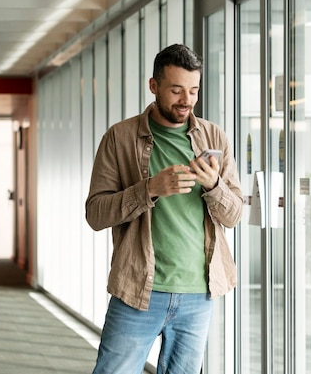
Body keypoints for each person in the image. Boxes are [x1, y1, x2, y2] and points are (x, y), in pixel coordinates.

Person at [85, 43, 243, 374]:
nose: (186, 100)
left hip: (199, 293)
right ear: (154, 86)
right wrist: (150, 189)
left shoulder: (214, 137)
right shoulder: (120, 137)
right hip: (138, 290)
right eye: (176, 90)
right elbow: (96, 213)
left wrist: (214, 186)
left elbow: (234, 215)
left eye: (193, 91)